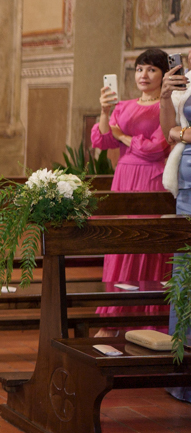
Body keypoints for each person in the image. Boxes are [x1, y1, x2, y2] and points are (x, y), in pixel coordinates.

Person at [92, 49, 172, 337]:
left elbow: (156, 148)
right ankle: (112, 319)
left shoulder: (167, 106)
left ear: (164, 75)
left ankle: (150, 321)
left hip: (151, 178)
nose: (144, 75)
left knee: (146, 244)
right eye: (139, 69)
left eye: (151, 69)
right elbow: (101, 139)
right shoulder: (123, 106)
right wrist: (103, 111)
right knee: (120, 244)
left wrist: (123, 135)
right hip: (124, 178)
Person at [160, 52, 191, 403]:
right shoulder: (187, 75)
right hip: (186, 189)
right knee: (184, 277)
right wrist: (167, 97)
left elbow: (177, 132)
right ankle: (181, 375)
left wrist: (181, 131)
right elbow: (166, 132)